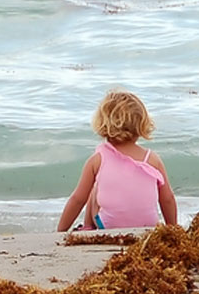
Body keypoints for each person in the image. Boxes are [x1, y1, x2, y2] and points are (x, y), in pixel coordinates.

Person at [56, 90, 178, 231]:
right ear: (141, 124)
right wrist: (172, 228)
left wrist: (60, 231)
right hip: (148, 227)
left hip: (108, 226)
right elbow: (167, 199)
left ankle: (88, 227)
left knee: (94, 188)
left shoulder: (98, 159)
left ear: (103, 123)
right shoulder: (152, 159)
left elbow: (78, 199)